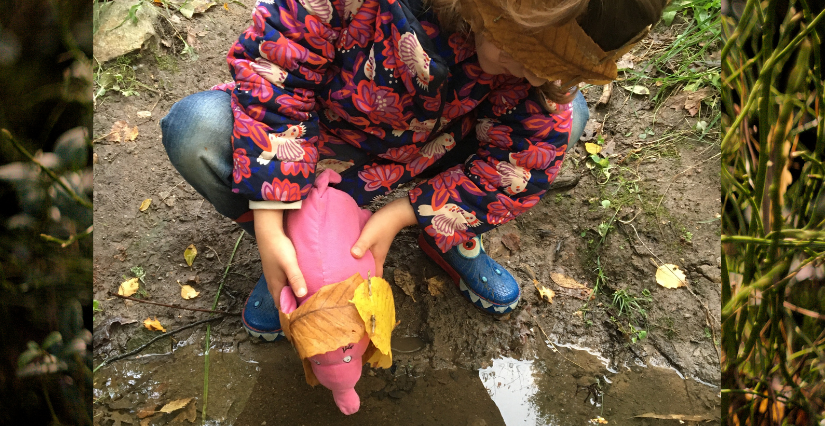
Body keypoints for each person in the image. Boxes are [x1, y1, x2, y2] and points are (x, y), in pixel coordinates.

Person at [162, 0, 666, 341]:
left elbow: (526, 154)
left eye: (561, 67)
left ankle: (444, 234)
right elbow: (279, 70)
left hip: (439, 147)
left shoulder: (535, 74)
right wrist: (272, 216)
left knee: (566, 117)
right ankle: (298, 257)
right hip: (332, 137)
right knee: (193, 131)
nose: (543, 75)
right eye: (535, 54)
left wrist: (404, 214)